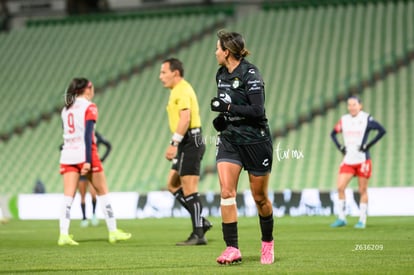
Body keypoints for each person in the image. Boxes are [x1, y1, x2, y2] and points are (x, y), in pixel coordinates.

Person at [210, 30, 274, 265]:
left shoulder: (251, 73)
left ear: (227, 52)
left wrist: (228, 110)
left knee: (260, 198)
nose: (215, 52)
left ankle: (267, 243)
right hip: (230, 140)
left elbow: (257, 111)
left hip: (256, 140)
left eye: (217, 48)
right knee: (226, 193)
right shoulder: (220, 74)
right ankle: (232, 248)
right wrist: (222, 120)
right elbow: (228, 107)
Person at [58, 77, 131, 245]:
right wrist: (88, 161)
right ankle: (113, 231)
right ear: (88, 89)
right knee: (103, 192)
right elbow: (87, 134)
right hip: (86, 153)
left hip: (68, 154)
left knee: (68, 197)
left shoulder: (66, 109)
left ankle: (63, 234)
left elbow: (68, 134)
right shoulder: (89, 107)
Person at [159, 58, 212, 246]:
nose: (160, 77)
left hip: (191, 141)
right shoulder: (177, 90)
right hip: (185, 142)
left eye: (163, 72)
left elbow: (185, 118)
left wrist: (174, 143)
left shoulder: (181, 89)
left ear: (175, 73)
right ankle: (201, 222)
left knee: (189, 188)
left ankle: (199, 234)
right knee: (173, 184)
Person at [330, 96, 386, 229]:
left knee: (362, 190)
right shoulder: (344, 120)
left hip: (362, 160)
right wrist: (340, 147)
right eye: (349, 105)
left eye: (354, 104)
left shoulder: (366, 118)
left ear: (360, 105)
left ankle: (362, 220)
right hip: (349, 160)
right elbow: (333, 134)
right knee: (340, 188)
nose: (351, 107)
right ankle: (342, 218)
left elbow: (381, 130)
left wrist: (368, 145)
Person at [79, 131, 112, 227]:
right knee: (82, 196)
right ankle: (84, 218)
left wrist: (102, 159)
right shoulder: (79, 135)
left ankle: (93, 215)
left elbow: (109, 146)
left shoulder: (96, 135)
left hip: (92, 168)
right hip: (81, 168)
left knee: (93, 194)